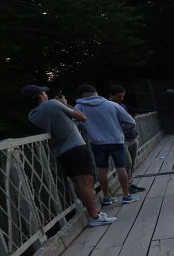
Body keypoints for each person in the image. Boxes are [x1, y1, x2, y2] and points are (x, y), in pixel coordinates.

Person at [22, 85, 115, 227]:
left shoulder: (32, 115)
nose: (46, 94)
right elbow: (82, 117)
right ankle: (94, 216)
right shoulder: (53, 104)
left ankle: (92, 212)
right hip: (75, 146)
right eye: (43, 92)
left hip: (61, 150)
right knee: (86, 182)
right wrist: (65, 104)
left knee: (77, 183)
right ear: (40, 96)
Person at [74, 84, 138, 205]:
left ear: (81, 95)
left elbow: (75, 123)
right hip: (116, 140)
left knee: (102, 169)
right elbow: (131, 122)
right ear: (96, 92)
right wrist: (119, 129)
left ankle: (107, 196)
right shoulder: (112, 105)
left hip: (97, 142)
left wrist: (88, 129)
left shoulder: (80, 106)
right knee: (121, 168)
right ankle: (126, 195)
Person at [108, 84, 145, 193]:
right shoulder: (107, 107)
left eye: (122, 96)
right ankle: (126, 187)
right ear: (111, 95)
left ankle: (130, 184)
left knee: (132, 163)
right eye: (118, 97)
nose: (121, 99)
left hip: (132, 136)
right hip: (121, 139)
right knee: (126, 163)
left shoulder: (122, 106)